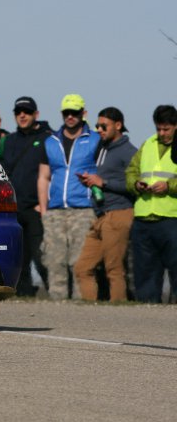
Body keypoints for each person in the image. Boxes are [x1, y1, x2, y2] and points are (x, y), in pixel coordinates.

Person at [38, 94, 100, 300]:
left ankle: (81, 303)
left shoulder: (95, 140)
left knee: (80, 261)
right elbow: (43, 177)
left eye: (75, 112)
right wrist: (44, 210)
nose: (70, 116)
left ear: (84, 113)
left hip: (84, 208)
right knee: (54, 260)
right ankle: (58, 303)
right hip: (55, 210)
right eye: (66, 113)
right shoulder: (50, 142)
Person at [73, 107, 137, 301]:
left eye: (104, 126)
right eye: (97, 126)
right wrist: (91, 181)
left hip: (119, 213)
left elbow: (134, 185)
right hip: (101, 215)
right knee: (82, 268)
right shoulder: (102, 148)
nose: (99, 129)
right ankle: (90, 311)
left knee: (114, 269)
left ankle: (119, 310)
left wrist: (104, 183)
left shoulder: (129, 151)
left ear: (118, 125)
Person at [1, 96, 53, 296]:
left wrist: (44, 204)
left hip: (35, 209)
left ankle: (57, 294)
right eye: (18, 112)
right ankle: (23, 295)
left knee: (42, 257)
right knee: (18, 258)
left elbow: (54, 173)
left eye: (27, 112)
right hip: (13, 210)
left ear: (36, 114)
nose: (22, 115)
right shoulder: (9, 141)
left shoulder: (48, 139)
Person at [125, 104, 177, 303]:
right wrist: (136, 184)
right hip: (144, 218)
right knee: (145, 272)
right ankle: (147, 311)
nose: (162, 133)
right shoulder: (147, 144)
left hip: (171, 218)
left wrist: (169, 186)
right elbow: (131, 171)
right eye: (158, 128)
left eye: (166, 129)